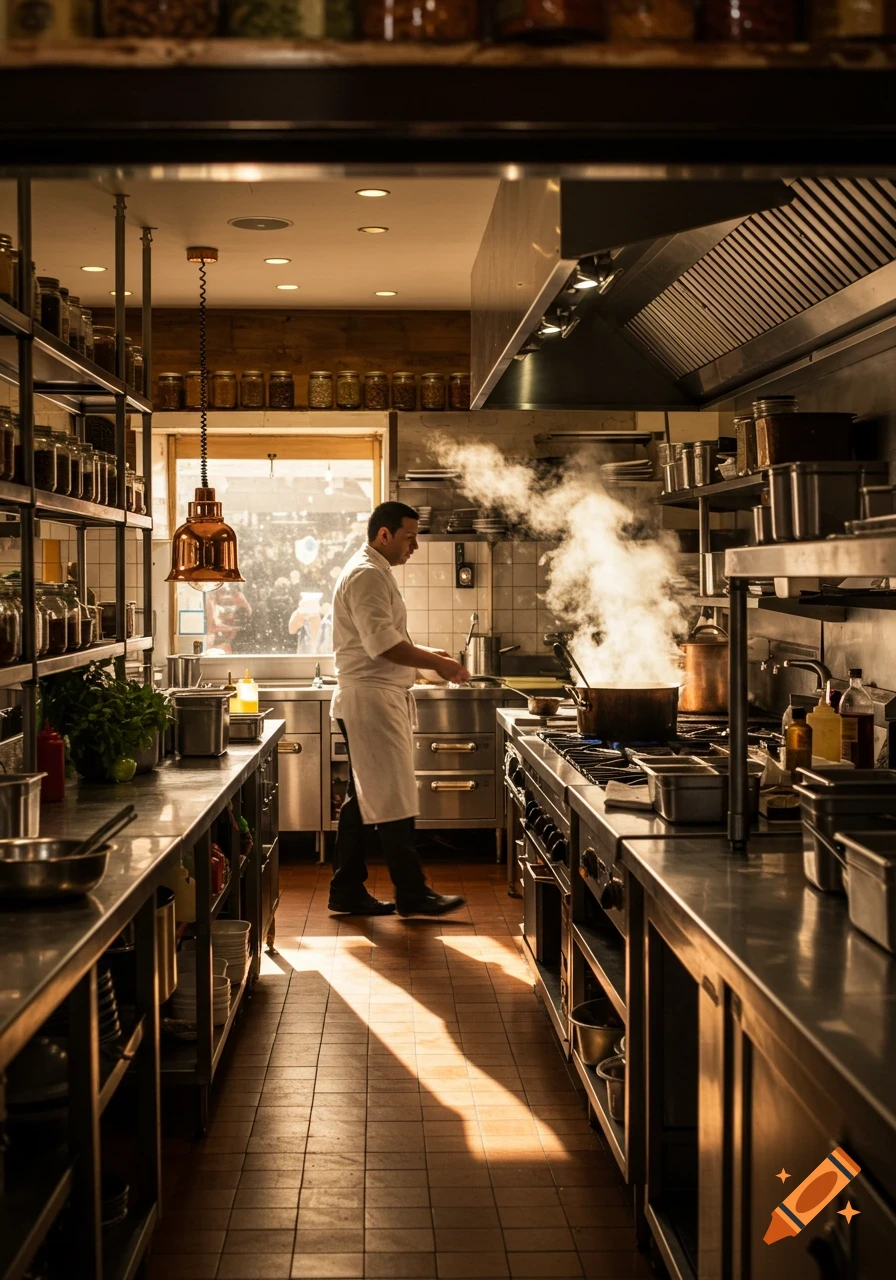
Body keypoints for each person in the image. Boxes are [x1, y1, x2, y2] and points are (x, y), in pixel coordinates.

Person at [328, 501, 470, 917]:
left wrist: (428, 652)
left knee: (363, 798)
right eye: (410, 537)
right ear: (384, 535)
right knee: (393, 795)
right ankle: (412, 893)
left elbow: (385, 636)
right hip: (370, 699)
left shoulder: (373, 572)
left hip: (374, 696)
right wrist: (439, 664)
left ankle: (346, 890)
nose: (416, 546)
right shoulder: (366, 575)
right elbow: (382, 646)